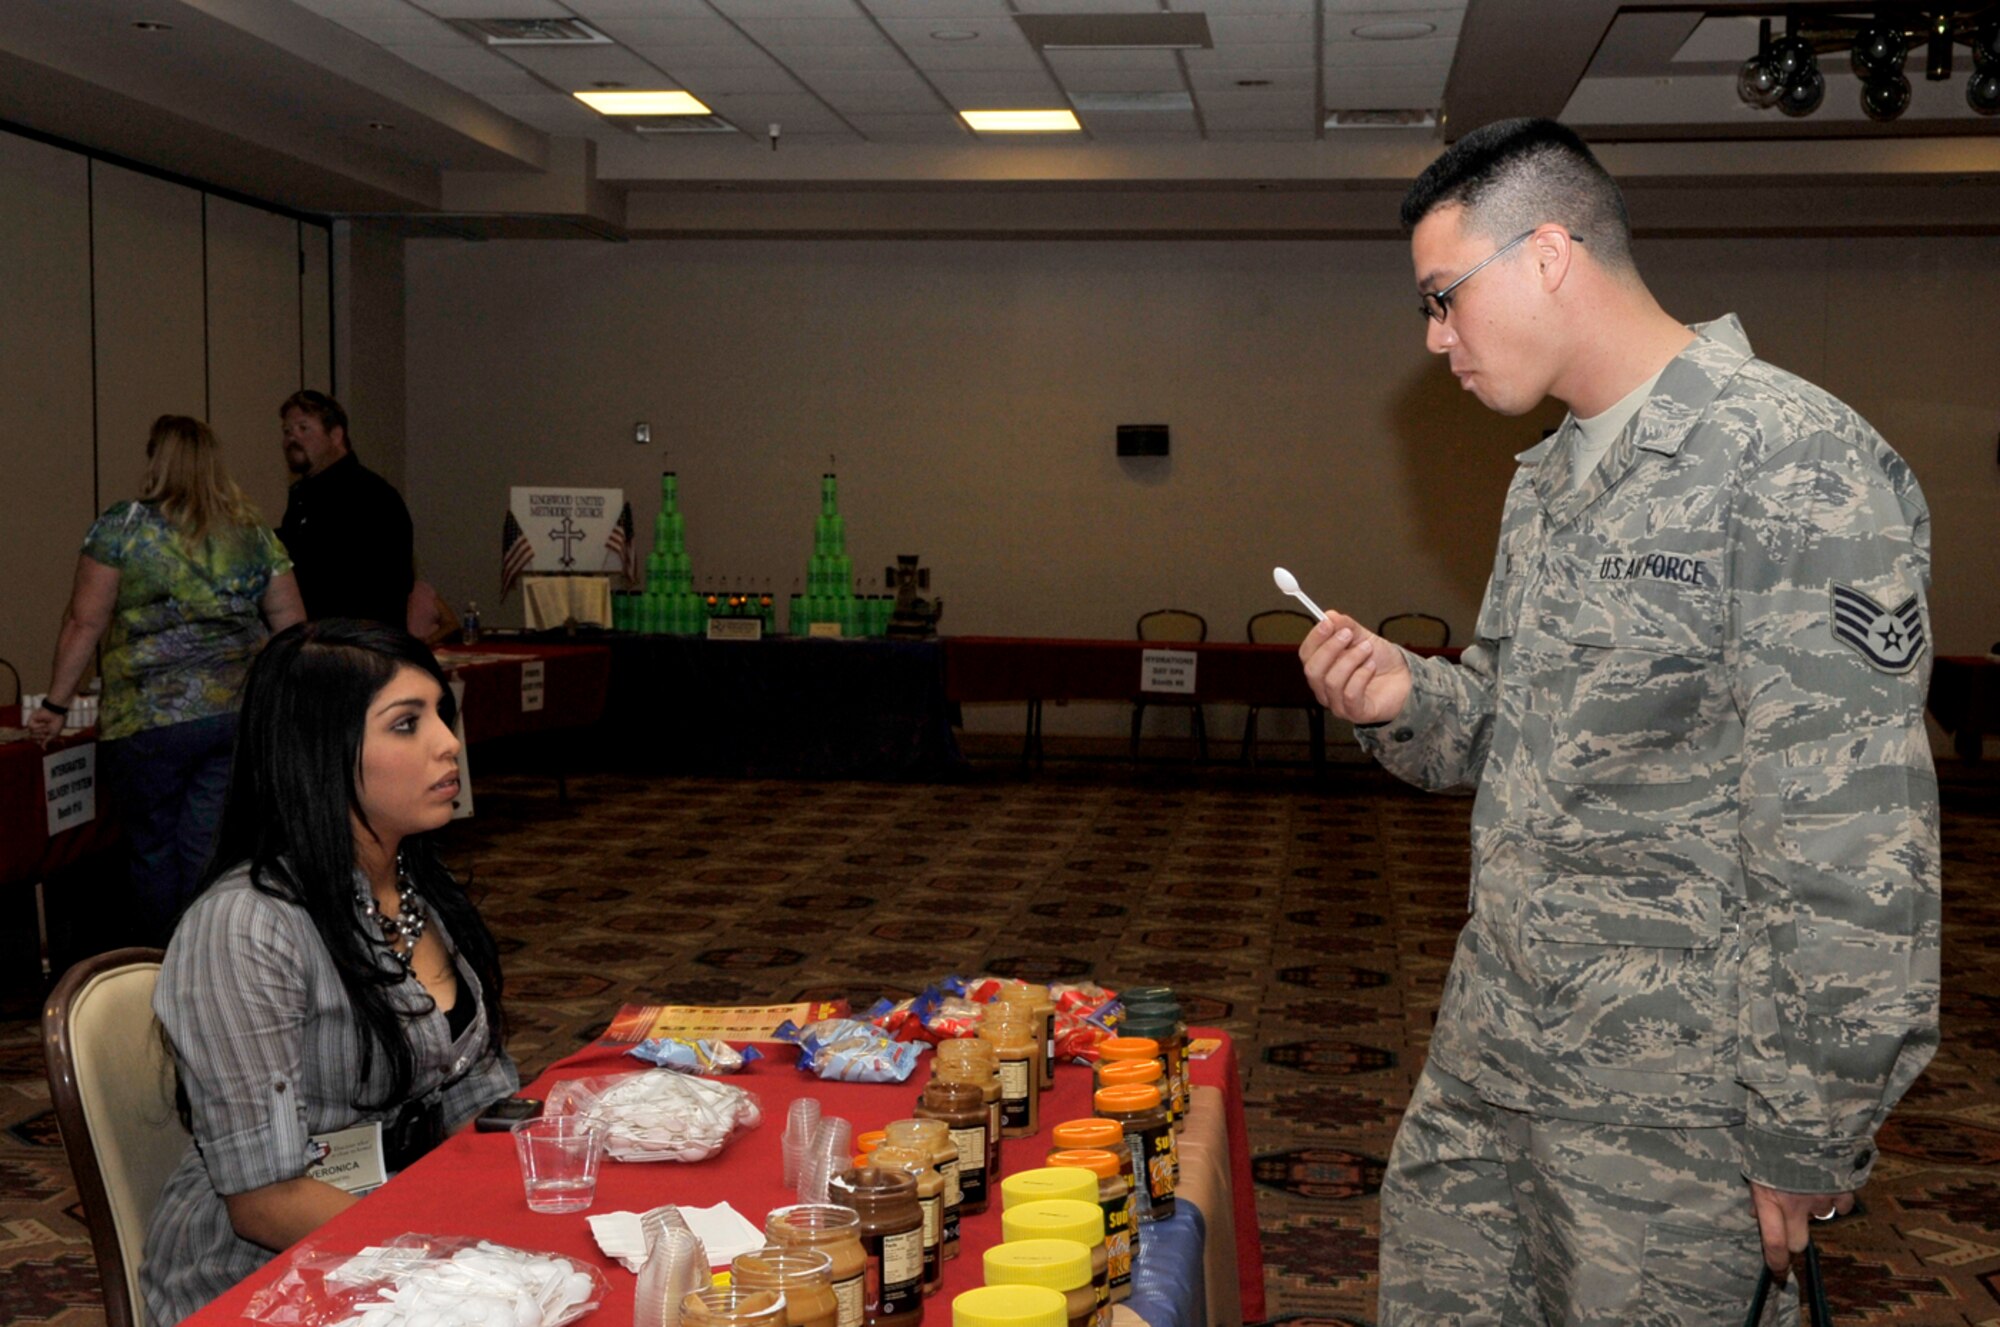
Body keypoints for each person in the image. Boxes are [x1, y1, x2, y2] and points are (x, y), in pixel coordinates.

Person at [1298, 118, 1938, 1325]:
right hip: (1495, 1059)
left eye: (1442, 298)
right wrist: (1406, 698)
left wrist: (1807, 1130)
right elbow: (1511, 729)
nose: (1434, 337)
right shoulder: (1543, 482)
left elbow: (1852, 841)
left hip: (1673, 1115)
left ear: (1546, 254)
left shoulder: (1792, 461)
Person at [142, 620, 516, 1327]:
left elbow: (485, 1104)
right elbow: (265, 1201)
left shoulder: (415, 891)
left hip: (412, 1239)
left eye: (443, 713)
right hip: (269, 1275)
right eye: (407, 723)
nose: (448, 743)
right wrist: (464, 1261)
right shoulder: (246, 926)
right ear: (322, 751)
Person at [27, 415, 304, 942]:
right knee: (209, 844)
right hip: (234, 715)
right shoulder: (250, 530)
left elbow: (86, 621)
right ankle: (214, 958)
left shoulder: (123, 527)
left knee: (153, 847)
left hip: (147, 720)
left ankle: (162, 966)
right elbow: (291, 622)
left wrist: (57, 705)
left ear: (158, 459)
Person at [276, 389, 415, 626]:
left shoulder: (371, 497)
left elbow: (382, 585)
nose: (291, 439)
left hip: (355, 645)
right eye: (287, 431)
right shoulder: (302, 498)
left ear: (336, 435)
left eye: (303, 428)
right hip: (317, 641)